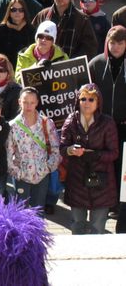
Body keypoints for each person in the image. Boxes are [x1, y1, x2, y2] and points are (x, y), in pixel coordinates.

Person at [59, 83, 119, 234]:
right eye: (83, 99)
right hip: (77, 181)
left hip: (102, 182)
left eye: (91, 100)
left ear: (98, 102)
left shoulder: (108, 122)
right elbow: (62, 148)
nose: (86, 103)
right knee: (77, 225)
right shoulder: (71, 120)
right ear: (77, 101)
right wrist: (71, 150)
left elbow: (114, 153)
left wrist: (96, 154)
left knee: (97, 228)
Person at [7, 86, 60, 210]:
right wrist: (17, 172)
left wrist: (48, 167)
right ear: (19, 101)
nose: (28, 106)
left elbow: (55, 148)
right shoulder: (12, 126)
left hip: (42, 176)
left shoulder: (46, 123)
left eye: (32, 102)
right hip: (22, 176)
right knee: (21, 213)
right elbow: (8, 153)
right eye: (25, 102)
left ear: (37, 102)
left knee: (38, 212)